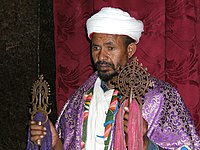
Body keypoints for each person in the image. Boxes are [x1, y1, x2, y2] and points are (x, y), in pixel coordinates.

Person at [27, 7, 200, 150]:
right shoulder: (78, 101)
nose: (101, 56)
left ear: (130, 50)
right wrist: (55, 142)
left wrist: (145, 142)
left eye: (110, 48)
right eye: (96, 48)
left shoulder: (159, 97)